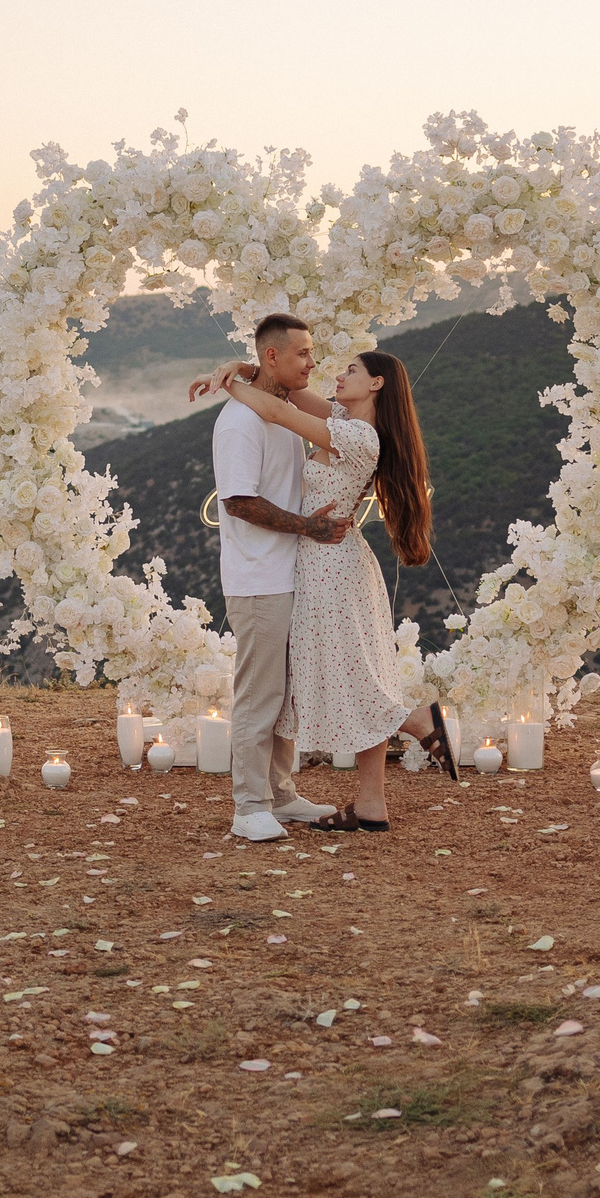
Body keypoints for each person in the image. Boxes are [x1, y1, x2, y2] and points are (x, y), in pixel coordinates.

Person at [193, 338, 462, 834]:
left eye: (351, 370)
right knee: (352, 672)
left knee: (348, 676)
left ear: (377, 383)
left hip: (329, 565)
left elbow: (275, 408)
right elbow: (288, 392)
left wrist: (227, 383)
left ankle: (417, 720)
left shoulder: (359, 437)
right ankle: (371, 804)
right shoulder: (344, 418)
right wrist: (244, 366)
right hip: (326, 561)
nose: (336, 375)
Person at [204, 314, 350, 843]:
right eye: (303, 354)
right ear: (272, 357)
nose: (313, 363)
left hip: (290, 573)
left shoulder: (281, 410)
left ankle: (282, 795)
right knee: (259, 694)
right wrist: (308, 527)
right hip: (258, 579)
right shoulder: (239, 423)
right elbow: (239, 501)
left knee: (286, 693)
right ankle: (249, 807)